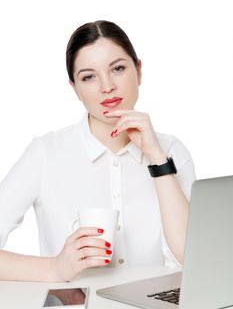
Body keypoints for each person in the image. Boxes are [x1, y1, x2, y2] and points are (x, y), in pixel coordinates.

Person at [0, 20, 196, 282]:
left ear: (138, 71)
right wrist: (54, 269)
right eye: (89, 77)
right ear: (75, 89)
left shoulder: (171, 150)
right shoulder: (46, 153)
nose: (107, 87)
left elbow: (190, 257)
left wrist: (157, 158)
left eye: (117, 69)